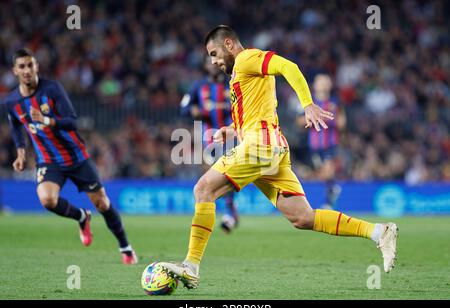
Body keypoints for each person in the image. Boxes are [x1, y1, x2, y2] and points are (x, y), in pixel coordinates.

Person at [159, 25, 398, 289]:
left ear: (228, 44)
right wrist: (230, 130)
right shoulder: (239, 72)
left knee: (203, 189)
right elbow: (255, 112)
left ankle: (191, 266)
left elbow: (289, 67)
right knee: (303, 218)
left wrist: (308, 104)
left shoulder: (247, 58)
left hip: (261, 147)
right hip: (271, 148)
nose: (214, 62)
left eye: (214, 54)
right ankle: (379, 232)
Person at [4, 48, 138, 264]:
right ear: (15, 71)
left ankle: (125, 246)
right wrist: (20, 152)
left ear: (36, 66)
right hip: (48, 160)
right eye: (22, 66)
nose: (27, 70)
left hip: (76, 157)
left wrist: (47, 120)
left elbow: (72, 121)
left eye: (30, 65)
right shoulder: (12, 102)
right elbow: (16, 127)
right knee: (47, 200)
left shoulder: (52, 89)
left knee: (102, 204)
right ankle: (81, 217)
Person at [180, 56, 239, 233]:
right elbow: (183, 107)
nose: (213, 64)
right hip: (209, 136)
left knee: (223, 172)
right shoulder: (198, 86)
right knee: (216, 175)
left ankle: (228, 212)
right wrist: (193, 110)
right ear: (205, 66)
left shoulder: (233, 83)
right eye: (209, 62)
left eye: (216, 60)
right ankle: (229, 211)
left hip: (231, 134)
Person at [297, 74, 345, 209]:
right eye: (320, 82)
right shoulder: (309, 103)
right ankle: (332, 189)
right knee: (321, 175)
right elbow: (299, 121)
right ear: (315, 85)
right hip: (313, 146)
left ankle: (329, 203)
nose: (322, 84)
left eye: (325, 82)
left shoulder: (335, 103)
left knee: (328, 172)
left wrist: (335, 115)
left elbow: (342, 124)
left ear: (330, 85)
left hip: (330, 145)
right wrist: (311, 119)